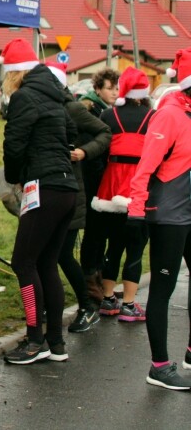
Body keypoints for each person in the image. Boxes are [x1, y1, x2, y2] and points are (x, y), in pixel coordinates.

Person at [0, 39, 78, 365]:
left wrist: (16, 175)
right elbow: (72, 132)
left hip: (42, 189)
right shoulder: (55, 96)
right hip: (66, 189)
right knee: (46, 263)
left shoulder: (23, 96)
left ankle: (34, 339)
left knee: (23, 263)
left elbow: (13, 144)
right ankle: (56, 342)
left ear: (14, 73)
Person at [128, 48, 191, 390]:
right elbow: (146, 166)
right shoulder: (169, 116)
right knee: (163, 290)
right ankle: (159, 366)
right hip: (167, 216)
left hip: (189, 214)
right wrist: (136, 211)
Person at [44, 60, 111, 334]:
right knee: (48, 254)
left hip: (73, 191)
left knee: (61, 254)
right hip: (48, 190)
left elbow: (104, 133)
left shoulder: (72, 108)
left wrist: (84, 152)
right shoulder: (40, 108)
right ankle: (53, 303)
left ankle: (87, 306)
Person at [90, 66, 154, 322]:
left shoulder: (107, 114)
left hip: (110, 186)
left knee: (113, 245)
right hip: (139, 186)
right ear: (143, 93)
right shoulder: (153, 116)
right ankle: (129, 304)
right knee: (136, 247)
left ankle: (107, 299)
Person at [77, 68, 119, 307]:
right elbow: (89, 146)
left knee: (101, 230)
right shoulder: (89, 110)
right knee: (93, 230)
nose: (114, 92)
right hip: (92, 178)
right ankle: (89, 277)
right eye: (109, 88)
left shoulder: (108, 110)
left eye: (116, 88)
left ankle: (98, 272)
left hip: (105, 178)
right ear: (97, 90)